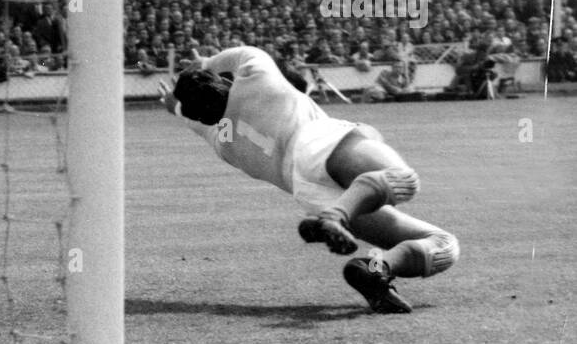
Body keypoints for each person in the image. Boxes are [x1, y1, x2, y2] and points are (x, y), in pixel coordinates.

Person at [159, 46, 459, 313]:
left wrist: (175, 106)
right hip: (319, 143)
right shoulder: (255, 79)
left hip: (308, 191)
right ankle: (337, 216)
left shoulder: (224, 141)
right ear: (222, 80)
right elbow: (239, 55)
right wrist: (204, 62)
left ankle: (376, 269)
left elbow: (198, 122)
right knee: (403, 181)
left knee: (440, 243)